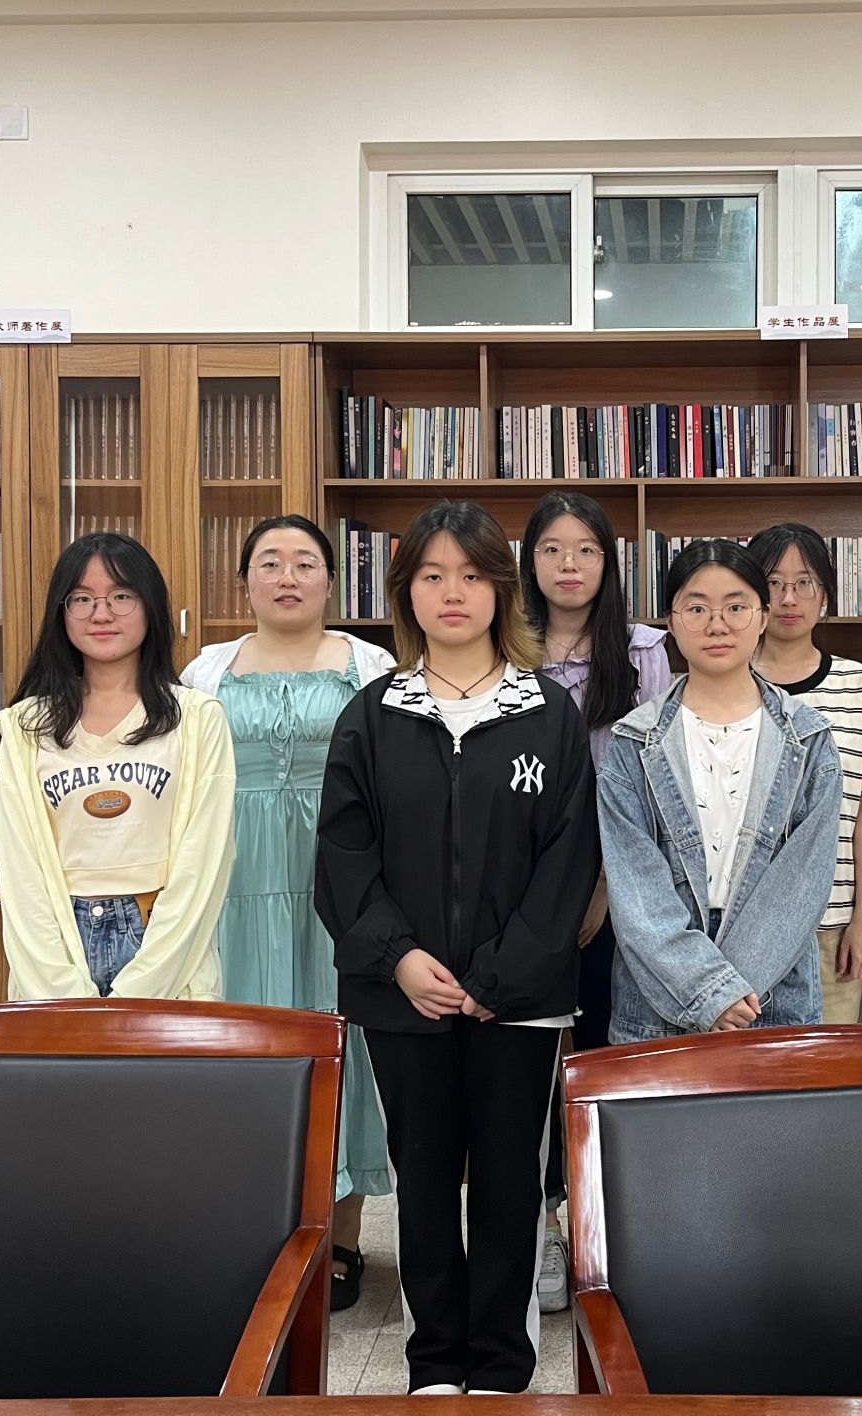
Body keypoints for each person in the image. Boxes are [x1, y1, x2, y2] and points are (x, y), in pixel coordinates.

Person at [314, 500, 599, 1396]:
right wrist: (399, 958)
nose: (453, 592)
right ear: (405, 592)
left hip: (520, 1000)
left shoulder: (547, 714)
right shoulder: (371, 715)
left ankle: (503, 1367)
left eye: (472, 575)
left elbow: (570, 862)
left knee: (512, 1181)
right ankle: (435, 1366)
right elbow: (343, 857)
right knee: (425, 1181)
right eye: (433, 575)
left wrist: (496, 978)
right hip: (402, 997)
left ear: (501, 590)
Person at [180, 515, 396, 1313]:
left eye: (306, 562)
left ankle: (341, 1242)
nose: (287, 576)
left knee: (346, 1049)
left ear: (331, 582)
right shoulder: (204, 672)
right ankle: (255, 1235)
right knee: (248, 1049)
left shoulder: (371, 667)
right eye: (269, 562)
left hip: (342, 882)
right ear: (245, 582)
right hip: (235, 886)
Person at [518, 489, 671, 1313]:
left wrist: (609, 886)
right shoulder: (508, 645)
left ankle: (609, 1224)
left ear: (609, 563)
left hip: (625, 881)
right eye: (552, 549)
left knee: (611, 1052)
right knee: (532, 1059)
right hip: (523, 884)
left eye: (586, 550)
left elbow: (651, 778)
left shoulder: (644, 652)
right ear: (530, 562)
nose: (569, 564)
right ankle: (545, 1221)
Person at [599, 539, 841, 1042]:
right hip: (657, 1001)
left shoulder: (809, 739)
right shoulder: (632, 742)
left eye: (735, 607)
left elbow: (803, 882)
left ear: (763, 616)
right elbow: (635, 890)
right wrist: (705, 989)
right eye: (696, 609)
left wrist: (727, 994)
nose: (717, 624)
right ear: (671, 621)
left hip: (773, 998)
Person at [0, 531, 235, 1001]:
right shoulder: (26, 726)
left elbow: (204, 867)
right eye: (82, 599)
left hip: (164, 949)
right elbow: (20, 873)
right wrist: (61, 991)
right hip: (58, 946)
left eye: (121, 596)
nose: (101, 614)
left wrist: (141, 990)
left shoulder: (197, 718)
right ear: (61, 613)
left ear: (151, 606)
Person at [745, 521, 862, 1024]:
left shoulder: (860, 686)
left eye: (805, 583)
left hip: (833, 923)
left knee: (829, 1065)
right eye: (773, 583)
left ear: (826, 597)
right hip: (739, 924)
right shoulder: (723, 680)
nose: (788, 598)